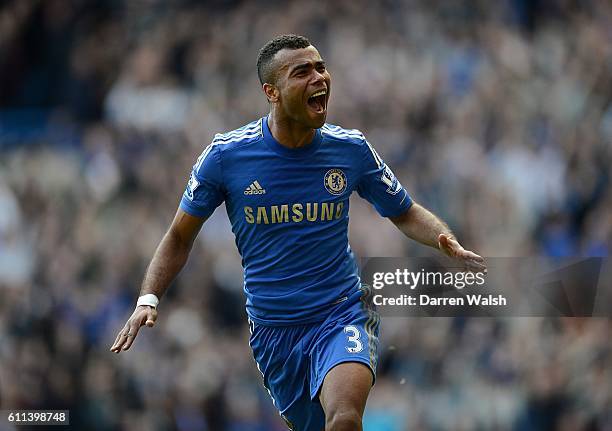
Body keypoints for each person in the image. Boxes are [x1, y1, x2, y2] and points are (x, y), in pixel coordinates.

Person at [110, 34, 485, 431]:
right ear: (271, 91)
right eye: (302, 72)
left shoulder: (350, 149)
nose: (319, 77)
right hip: (275, 331)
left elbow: (405, 212)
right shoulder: (225, 157)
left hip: (340, 311)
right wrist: (148, 298)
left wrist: (444, 238)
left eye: (321, 67)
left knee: (344, 417)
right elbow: (179, 237)